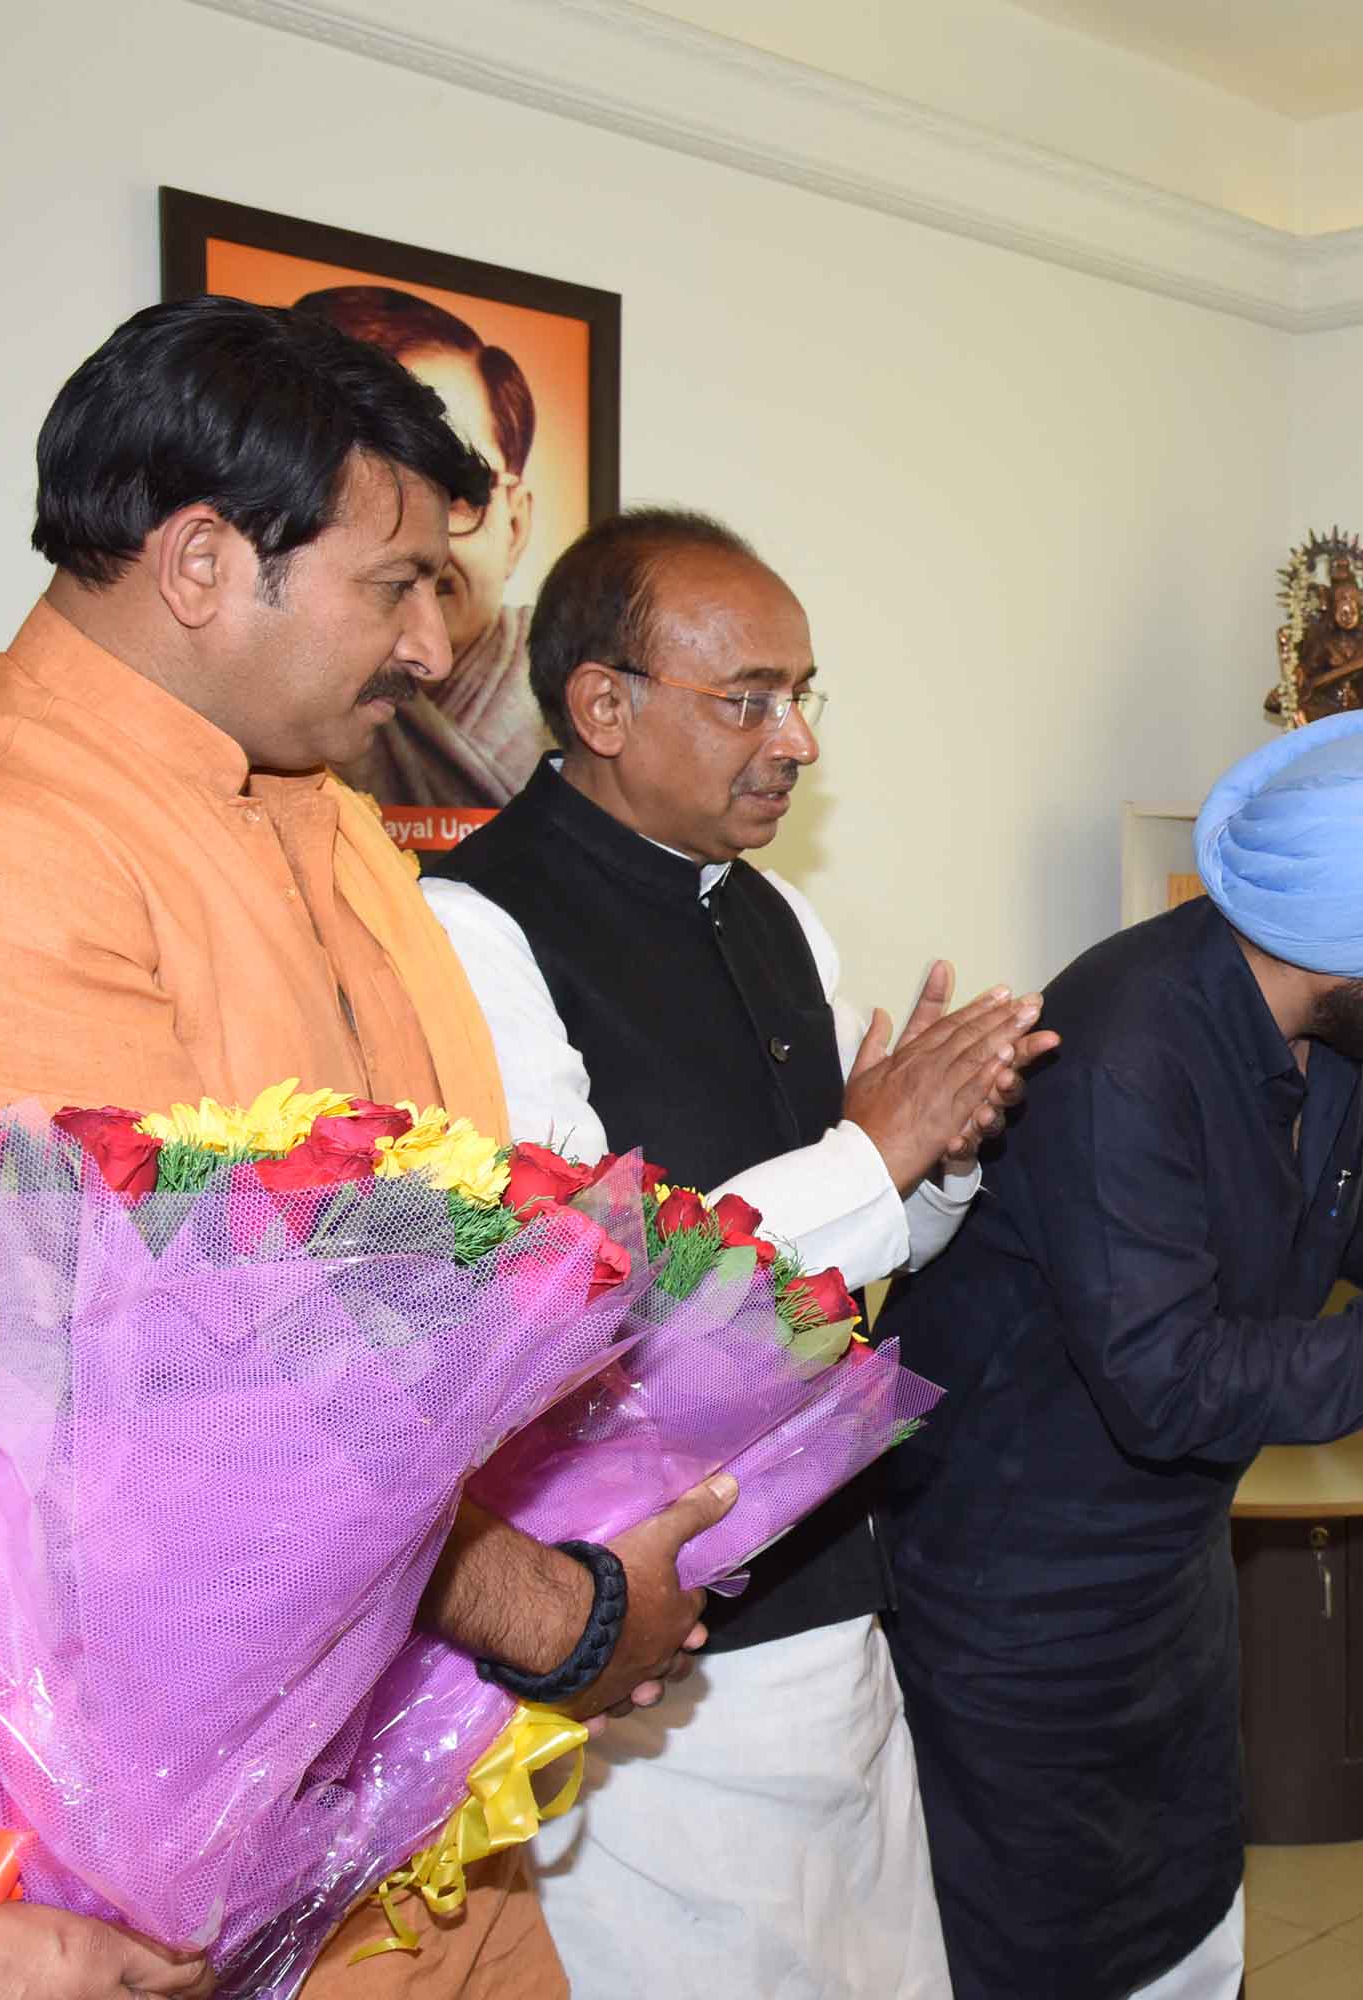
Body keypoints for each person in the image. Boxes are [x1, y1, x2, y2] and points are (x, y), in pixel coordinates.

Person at [0, 297, 725, 1999]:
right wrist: (560, 1613)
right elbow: (191, 1409)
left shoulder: (324, 804)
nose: (438, 651)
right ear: (207, 561)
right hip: (161, 1841)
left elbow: (428, 1272)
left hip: (417, 1781)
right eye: (395, 589)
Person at [421, 508, 1051, 1996]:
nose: (798, 742)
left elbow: (859, 1249)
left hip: (839, 1574)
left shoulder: (776, 917)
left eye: (802, 694)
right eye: (748, 699)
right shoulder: (473, 926)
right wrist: (875, 1147)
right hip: (648, 1624)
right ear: (602, 705)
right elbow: (586, 1297)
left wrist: (942, 1155)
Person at [877, 707, 1363, 2000]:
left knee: (1192, 1932)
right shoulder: (1123, 1056)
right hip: (1017, 1600)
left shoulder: (1341, 1029)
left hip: (1171, 1575)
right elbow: (1174, 1387)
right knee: (1052, 1960)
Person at [296, 285, 549, 813]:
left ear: (517, 524)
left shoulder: (573, 691)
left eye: (461, 494)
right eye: (363, 493)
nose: (417, 534)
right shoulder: (260, 727)